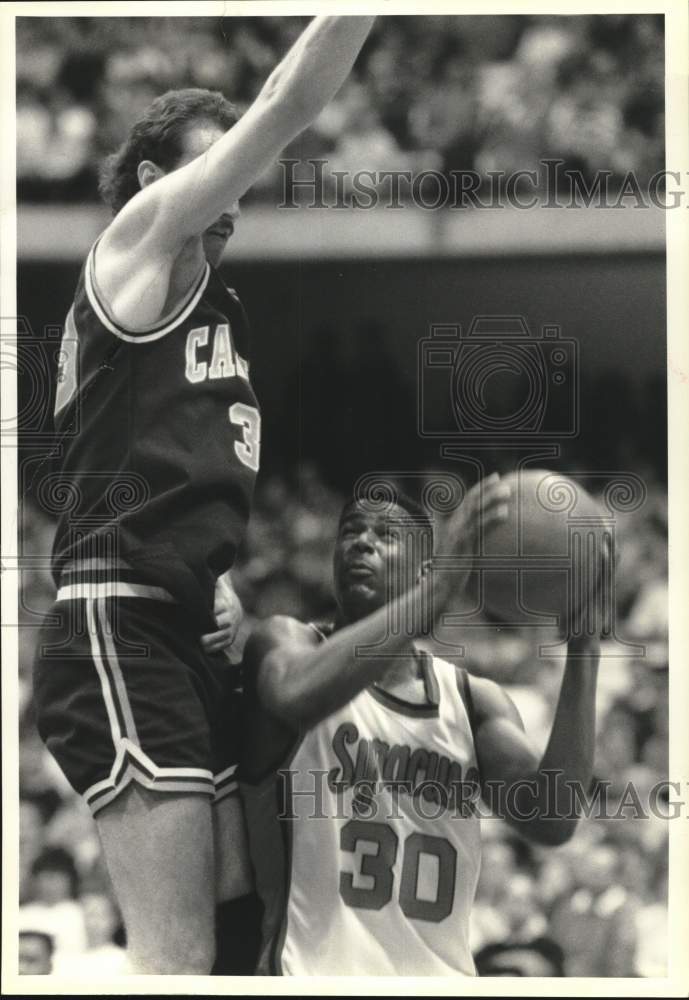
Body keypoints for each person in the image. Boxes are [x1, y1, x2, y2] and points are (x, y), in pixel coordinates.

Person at [32, 16, 376, 975]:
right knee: (178, 958)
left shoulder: (216, 308)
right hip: (120, 625)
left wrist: (208, 578)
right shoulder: (136, 243)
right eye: (220, 172)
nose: (236, 198)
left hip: (178, 620)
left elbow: (157, 466)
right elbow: (286, 103)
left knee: (238, 935)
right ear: (154, 182)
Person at [240, 474, 602, 975]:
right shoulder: (286, 643)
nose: (362, 541)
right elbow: (294, 697)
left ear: (423, 569)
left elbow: (554, 819)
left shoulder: (472, 701)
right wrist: (437, 593)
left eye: (385, 535)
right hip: (313, 976)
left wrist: (585, 648)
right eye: (351, 531)